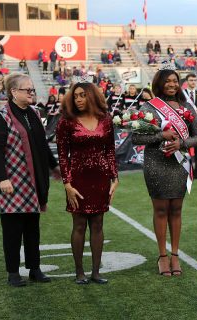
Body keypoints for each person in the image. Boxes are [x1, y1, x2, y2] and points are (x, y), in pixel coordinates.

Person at [131, 62, 197, 276]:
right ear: (159, 84)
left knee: (177, 209)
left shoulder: (187, 108)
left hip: (179, 163)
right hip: (156, 163)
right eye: (167, 81)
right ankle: (162, 256)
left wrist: (181, 144)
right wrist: (161, 136)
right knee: (161, 209)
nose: (172, 85)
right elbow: (135, 138)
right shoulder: (149, 107)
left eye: (174, 81)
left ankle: (175, 255)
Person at [0, 73, 60, 287]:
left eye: (32, 90)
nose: (31, 93)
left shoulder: (35, 113)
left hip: (33, 181)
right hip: (12, 182)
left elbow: (42, 144)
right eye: (27, 90)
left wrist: (53, 165)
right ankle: (13, 272)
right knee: (12, 230)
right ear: (13, 92)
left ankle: (34, 269)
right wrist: (2, 179)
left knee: (32, 228)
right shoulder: (1, 117)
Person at [56, 82, 119, 284]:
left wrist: (115, 177)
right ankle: (79, 272)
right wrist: (67, 184)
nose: (79, 99)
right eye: (75, 96)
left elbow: (110, 150)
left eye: (83, 95)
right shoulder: (66, 122)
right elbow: (62, 156)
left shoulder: (106, 120)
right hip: (77, 180)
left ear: (92, 96)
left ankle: (96, 272)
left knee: (98, 224)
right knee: (79, 225)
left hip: (100, 178)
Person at [183, 73, 197, 179]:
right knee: (185, 147)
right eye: (191, 80)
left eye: (194, 80)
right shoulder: (182, 95)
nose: (193, 82)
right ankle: (186, 171)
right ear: (187, 81)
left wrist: (196, 115)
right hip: (185, 123)